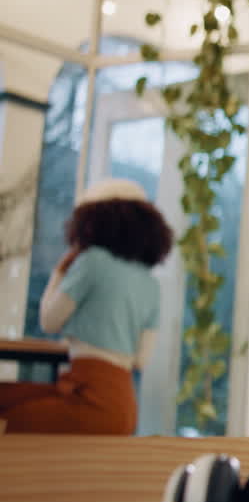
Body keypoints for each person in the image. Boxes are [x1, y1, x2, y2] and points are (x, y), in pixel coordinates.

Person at [0, 178, 172, 433]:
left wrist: (60, 271)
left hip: (89, 398)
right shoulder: (150, 283)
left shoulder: (92, 262)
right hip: (123, 407)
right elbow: (141, 359)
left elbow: (49, 321)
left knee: (10, 417)